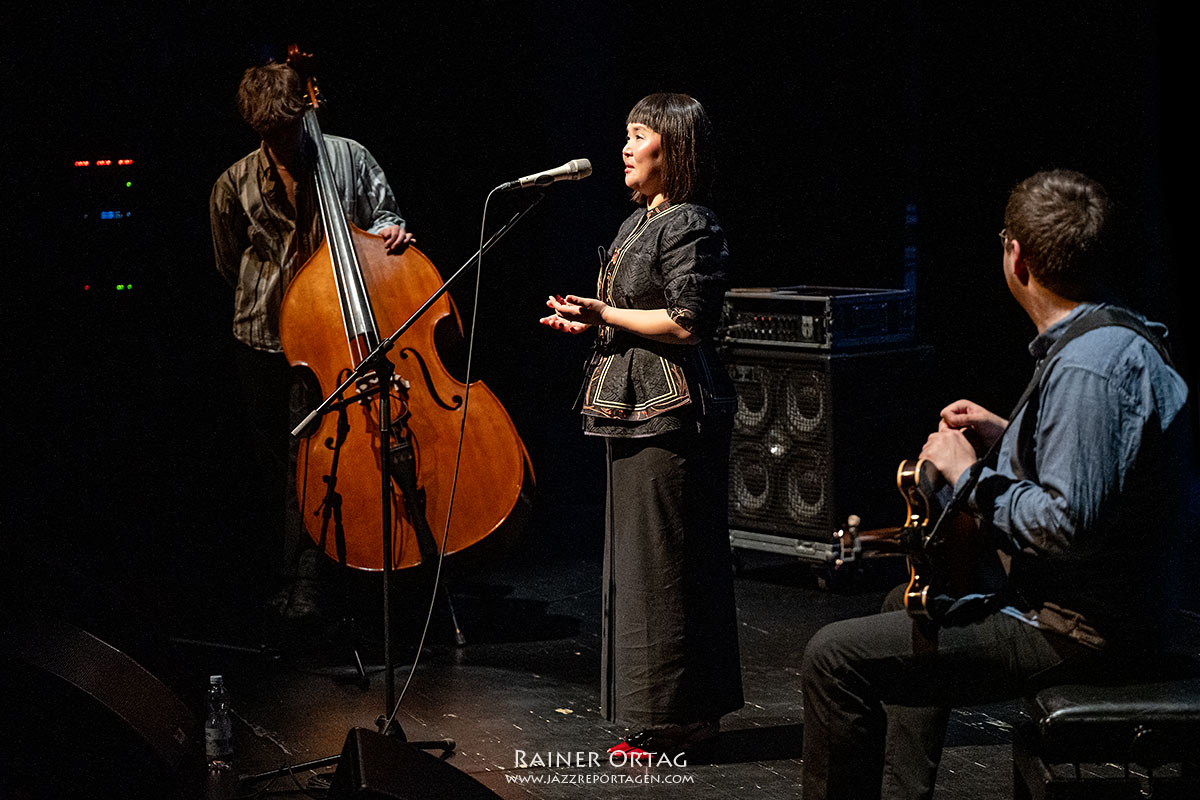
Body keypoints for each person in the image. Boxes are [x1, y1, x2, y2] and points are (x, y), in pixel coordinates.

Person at [799, 169, 1193, 800]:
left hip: (1079, 631)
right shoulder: (1110, 337)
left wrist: (971, 476)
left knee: (832, 657)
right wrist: (1008, 433)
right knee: (903, 604)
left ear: (1017, 257)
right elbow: (1098, 463)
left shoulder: (1088, 369)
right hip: (1101, 610)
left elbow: (1069, 526)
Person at [541, 93, 743, 756]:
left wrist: (607, 316)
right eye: (625, 135)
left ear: (674, 149)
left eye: (638, 136)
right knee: (642, 566)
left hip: (670, 414)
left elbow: (687, 321)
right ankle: (670, 713)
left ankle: (681, 717)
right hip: (632, 409)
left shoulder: (690, 222)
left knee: (667, 568)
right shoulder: (637, 224)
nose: (625, 148)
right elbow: (629, 313)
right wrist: (588, 319)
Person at [209, 62, 414, 617]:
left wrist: (391, 227)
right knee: (283, 462)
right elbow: (230, 261)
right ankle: (317, 566)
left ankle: (307, 582)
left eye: (288, 129)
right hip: (261, 337)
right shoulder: (233, 182)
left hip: (332, 335)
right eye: (269, 135)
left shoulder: (348, 156)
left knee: (312, 456)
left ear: (305, 112)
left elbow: (385, 213)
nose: (281, 144)